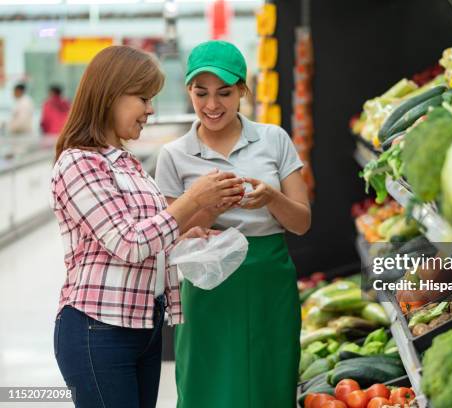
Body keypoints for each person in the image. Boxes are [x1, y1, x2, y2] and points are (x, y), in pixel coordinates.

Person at [50, 45, 244, 408]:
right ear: (109, 96)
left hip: (144, 324)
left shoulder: (126, 163)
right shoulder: (78, 163)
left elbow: (147, 239)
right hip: (98, 328)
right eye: (143, 98)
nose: (150, 109)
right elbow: (128, 243)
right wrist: (194, 200)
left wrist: (187, 236)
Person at [155, 40, 311, 407]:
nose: (212, 105)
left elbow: (302, 222)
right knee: (206, 383)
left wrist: (271, 197)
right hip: (207, 284)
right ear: (188, 91)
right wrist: (208, 205)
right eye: (201, 92)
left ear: (242, 89)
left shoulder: (274, 139)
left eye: (224, 93)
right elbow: (169, 236)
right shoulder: (174, 156)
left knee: (269, 379)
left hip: (268, 281)